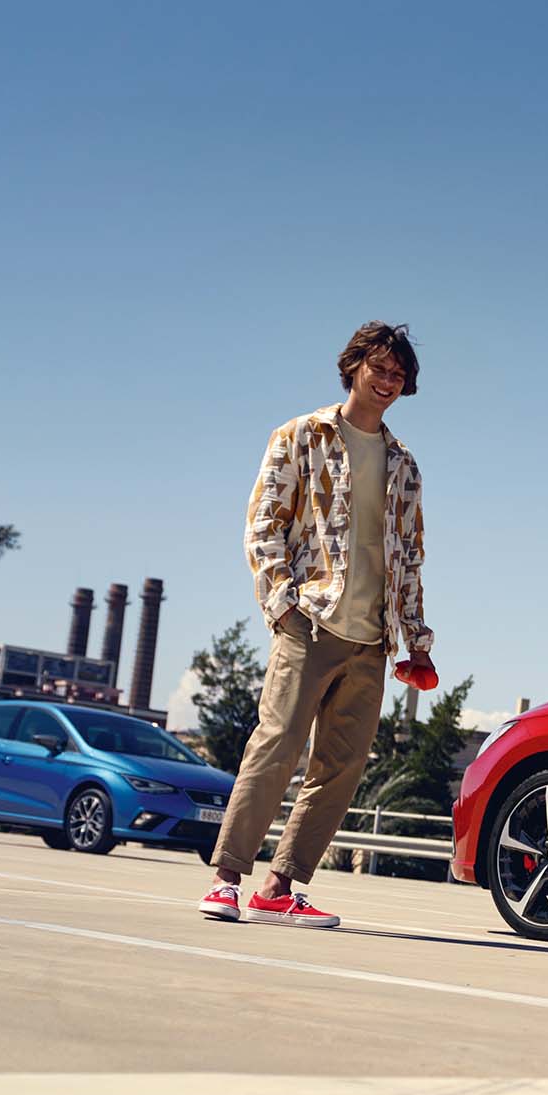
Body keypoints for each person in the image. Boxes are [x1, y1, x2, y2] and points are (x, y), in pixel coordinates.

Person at [198, 322, 438, 930]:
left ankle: (281, 885)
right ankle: (227, 878)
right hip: (310, 620)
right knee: (275, 747)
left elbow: (409, 555)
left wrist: (416, 638)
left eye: (398, 375)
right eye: (379, 369)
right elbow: (263, 524)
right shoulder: (301, 435)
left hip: (372, 637)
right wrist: (281, 604)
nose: (388, 382)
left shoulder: (404, 464)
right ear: (354, 367)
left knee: (341, 766)